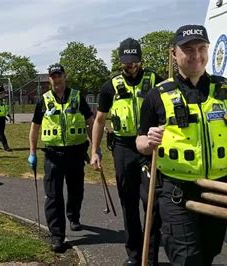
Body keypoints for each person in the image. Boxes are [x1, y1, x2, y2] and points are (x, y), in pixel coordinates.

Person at [136, 24, 227, 266]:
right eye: (188, 49)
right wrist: (149, 141)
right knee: (187, 258)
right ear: (174, 54)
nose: (196, 55)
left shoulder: (226, 90)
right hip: (177, 192)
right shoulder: (157, 95)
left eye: (201, 48)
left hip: (218, 189)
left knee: (209, 254)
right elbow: (140, 141)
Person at [90, 38, 163, 265]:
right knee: (128, 202)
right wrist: (95, 151)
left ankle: (149, 257)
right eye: (126, 62)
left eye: (134, 61)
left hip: (149, 148)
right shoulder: (110, 86)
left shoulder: (155, 81)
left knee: (151, 202)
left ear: (140, 59)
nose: (130, 66)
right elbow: (100, 120)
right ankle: (134, 253)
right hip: (123, 148)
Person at [28, 63, 94, 253]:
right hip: (53, 155)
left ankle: (73, 216)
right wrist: (32, 153)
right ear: (49, 79)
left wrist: (95, 148)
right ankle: (57, 236)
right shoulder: (44, 100)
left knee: (76, 190)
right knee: (53, 196)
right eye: (53, 76)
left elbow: (90, 122)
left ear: (65, 76)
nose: (56, 79)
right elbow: (34, 129)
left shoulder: (77, 96)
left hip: (76, 153)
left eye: (59, 75)